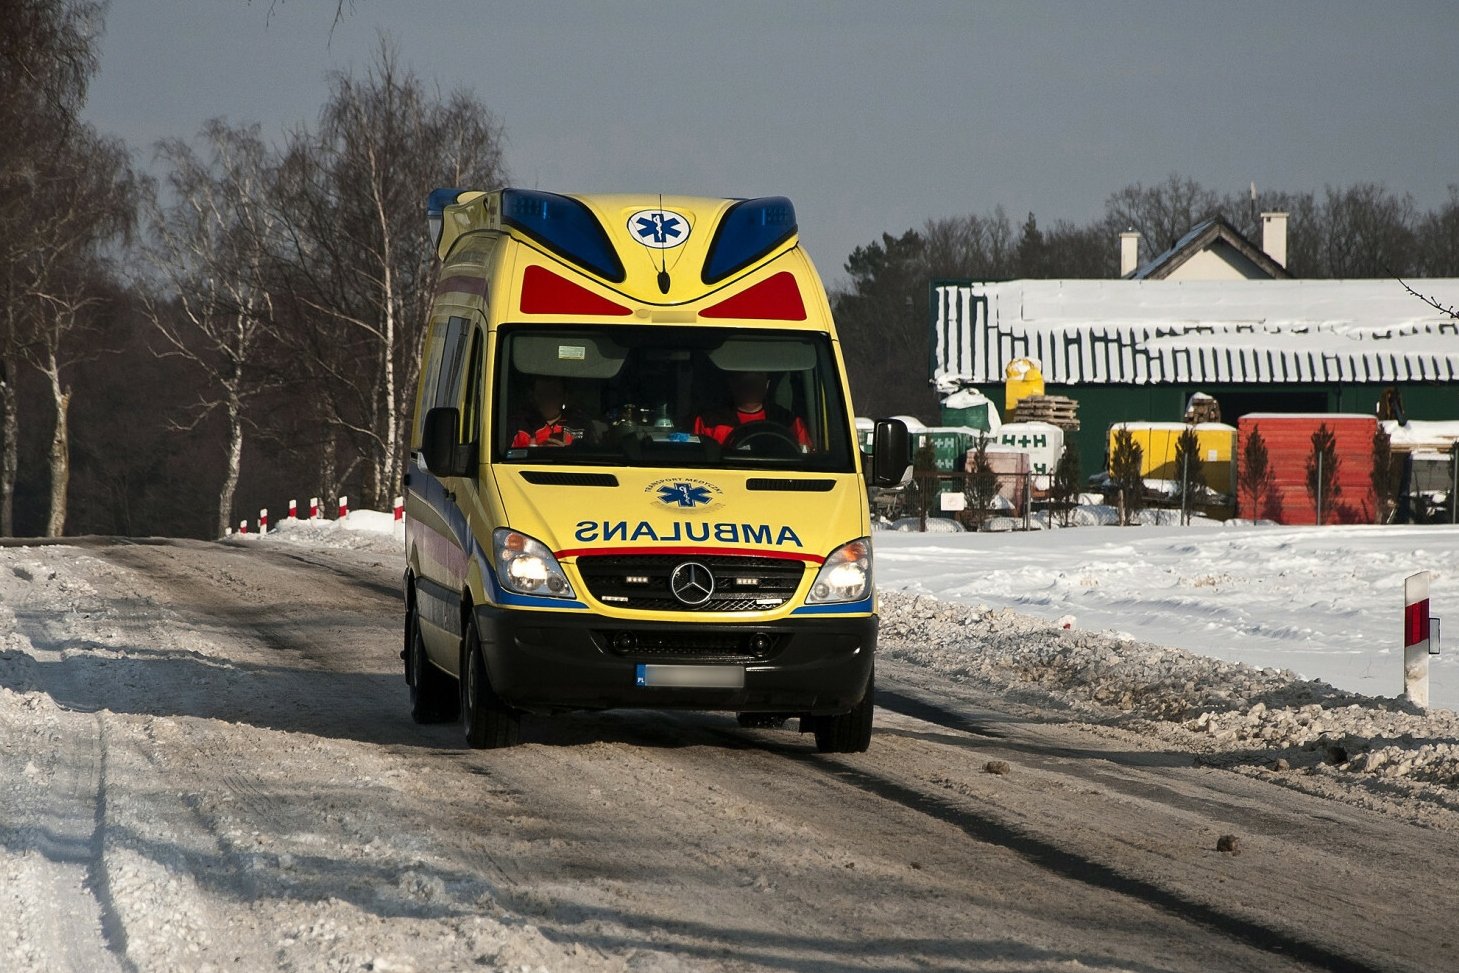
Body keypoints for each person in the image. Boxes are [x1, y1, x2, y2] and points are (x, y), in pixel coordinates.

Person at [692, 370, 812, 449]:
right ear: (732, 383)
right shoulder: (708, 422)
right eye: (745, 378)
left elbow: (805, 460)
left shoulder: (789, 422)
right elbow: (697, 459)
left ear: (767, 384)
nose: (751, 384)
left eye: (757, 379)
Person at [509, 375, 587, 447]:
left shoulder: (581, 425)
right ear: (532, 396)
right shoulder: (518, 425)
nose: (548, 400)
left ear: (565, 397)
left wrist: (566, 452)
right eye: (542, 394)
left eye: (554, 394)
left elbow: (589, 457)